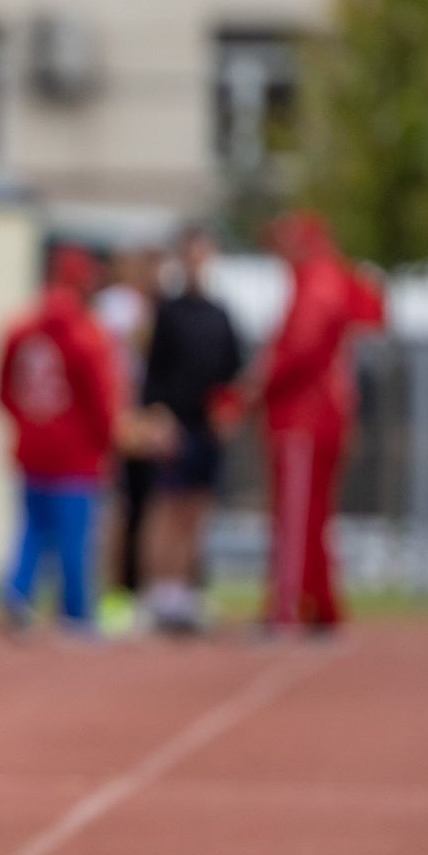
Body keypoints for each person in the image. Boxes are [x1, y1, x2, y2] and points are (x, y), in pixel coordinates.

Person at [241, 210, 384, 634]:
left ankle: (288, 606)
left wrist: (258, 387)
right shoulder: (327, 279)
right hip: (319, 415)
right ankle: (319, 604)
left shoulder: (316, 282)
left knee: (296, 514)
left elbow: (300, 349)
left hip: (303, 417)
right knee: (312, 515)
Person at [0, 244, 119, 634]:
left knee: (32, 528)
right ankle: (76, 611)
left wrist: (25, 423)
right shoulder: (87, 335)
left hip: (32, 446)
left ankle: (16, 594)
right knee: (74, 536)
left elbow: (1, 389)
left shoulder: (18, 329)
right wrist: (107, 440)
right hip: (76, 452)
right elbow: (100, 399)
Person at [137, 225, 245, 635]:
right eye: (192, 253)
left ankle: (182, 593)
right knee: (166, 508)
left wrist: (229, 413)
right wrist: (157, 417)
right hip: (174, 425)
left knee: (196, 510)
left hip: (207, 427)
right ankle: (156, 593)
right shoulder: (168, 312)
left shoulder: (221, 314)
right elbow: (152, 376)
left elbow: (233, 374)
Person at [91, 245, 161, 633]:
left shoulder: (149, 305)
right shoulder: (114, 306)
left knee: (145, 508)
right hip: (119, 418)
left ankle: (143, 590)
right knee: (116, 511)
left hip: (143, 416)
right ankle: (113, 594)